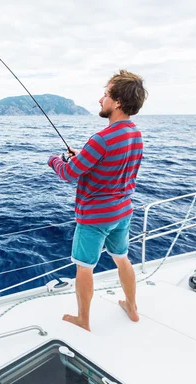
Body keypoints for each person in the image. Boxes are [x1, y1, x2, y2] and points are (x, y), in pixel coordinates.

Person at [48, 70, 147, 331]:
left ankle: (83, 319)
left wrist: (54, 160)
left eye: (105, 94)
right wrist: (82, 155)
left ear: (117, 102)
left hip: (94, 218)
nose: (100, 99)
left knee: (84, 268)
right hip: (122, 213)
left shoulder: (101, 140)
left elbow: (69, 173)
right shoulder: (135, 135)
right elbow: (111, 163)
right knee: (122, 258)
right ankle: (132, 308)